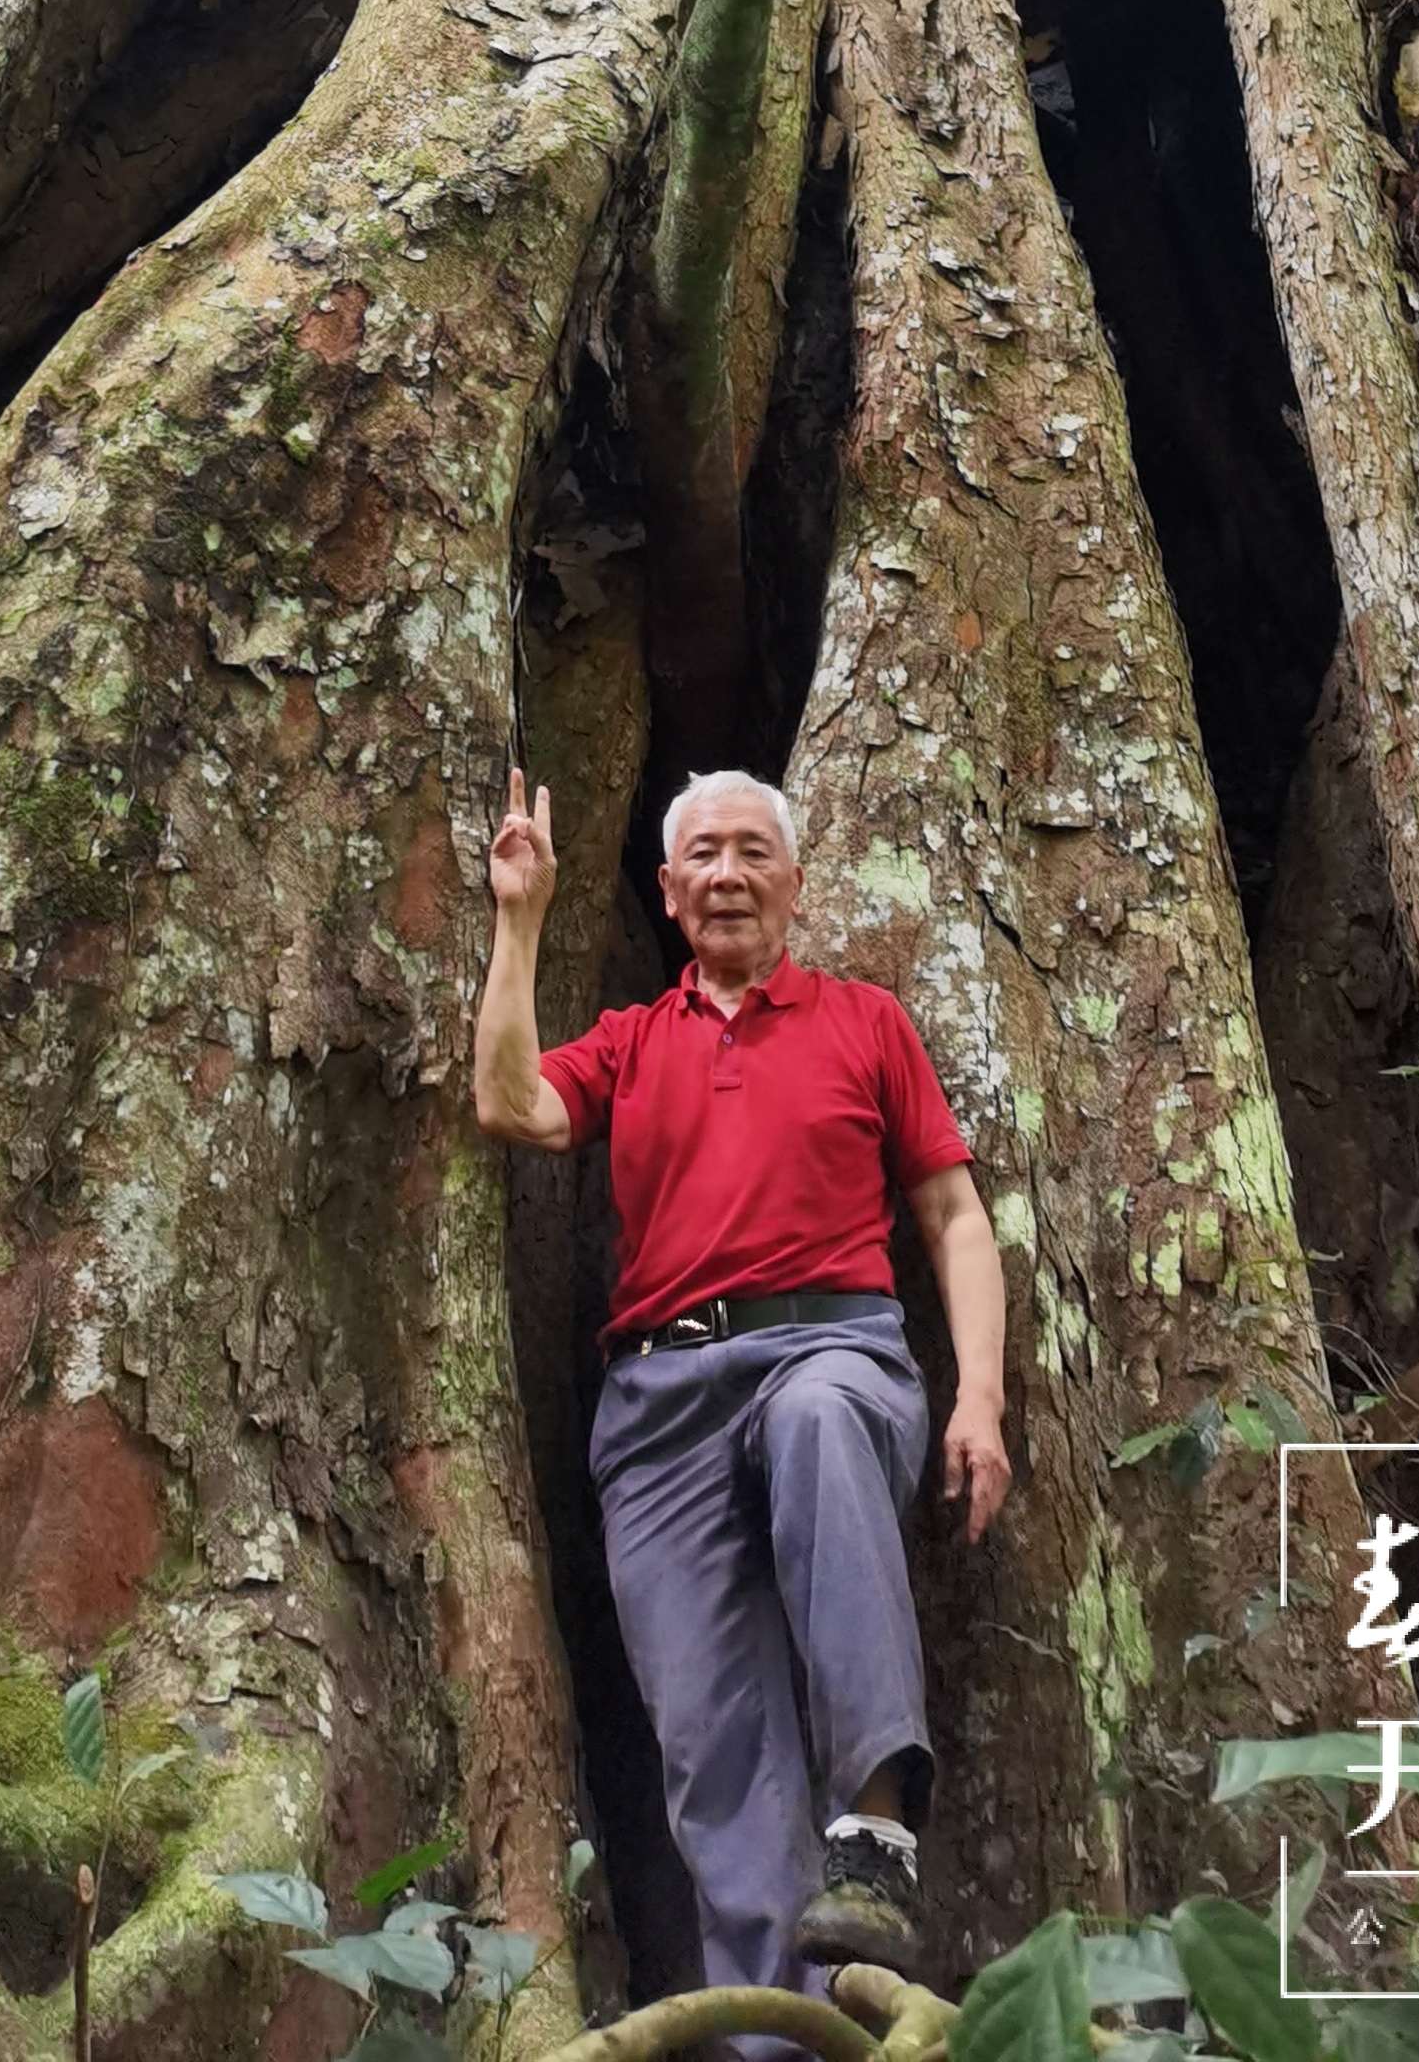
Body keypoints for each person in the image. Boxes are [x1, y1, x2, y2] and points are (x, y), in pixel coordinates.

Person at [473, 758, 1011, 1995]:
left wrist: (977, 1394)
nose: (727, 873)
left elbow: (954, 1216)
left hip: (831, 1350)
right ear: (667, 891)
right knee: (718, 1756)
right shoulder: (633, 1041)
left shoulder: (864, 1020)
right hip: (659, 1408)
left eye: (751, 852)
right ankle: (781, 2029)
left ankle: (876, 1831)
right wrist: (520, 916)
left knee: (820, 1423)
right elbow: (508, 1104)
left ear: (796, 885)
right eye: (702, 855)